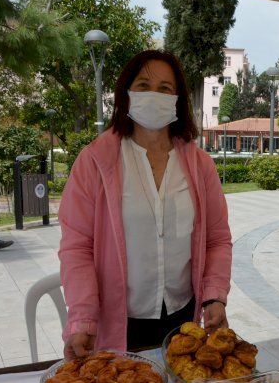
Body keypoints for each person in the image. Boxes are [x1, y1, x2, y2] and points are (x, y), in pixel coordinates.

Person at [59, 50, 233, 358]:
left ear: (177, 99)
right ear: (126, 94)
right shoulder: (95, 162)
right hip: (120, 323)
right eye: (143, 85)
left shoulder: (199, 165)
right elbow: (77, 247)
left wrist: (215, 297)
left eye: (165, 88)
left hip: (185, 319)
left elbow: (217, 240)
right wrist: (82, 318)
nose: (153, 95)